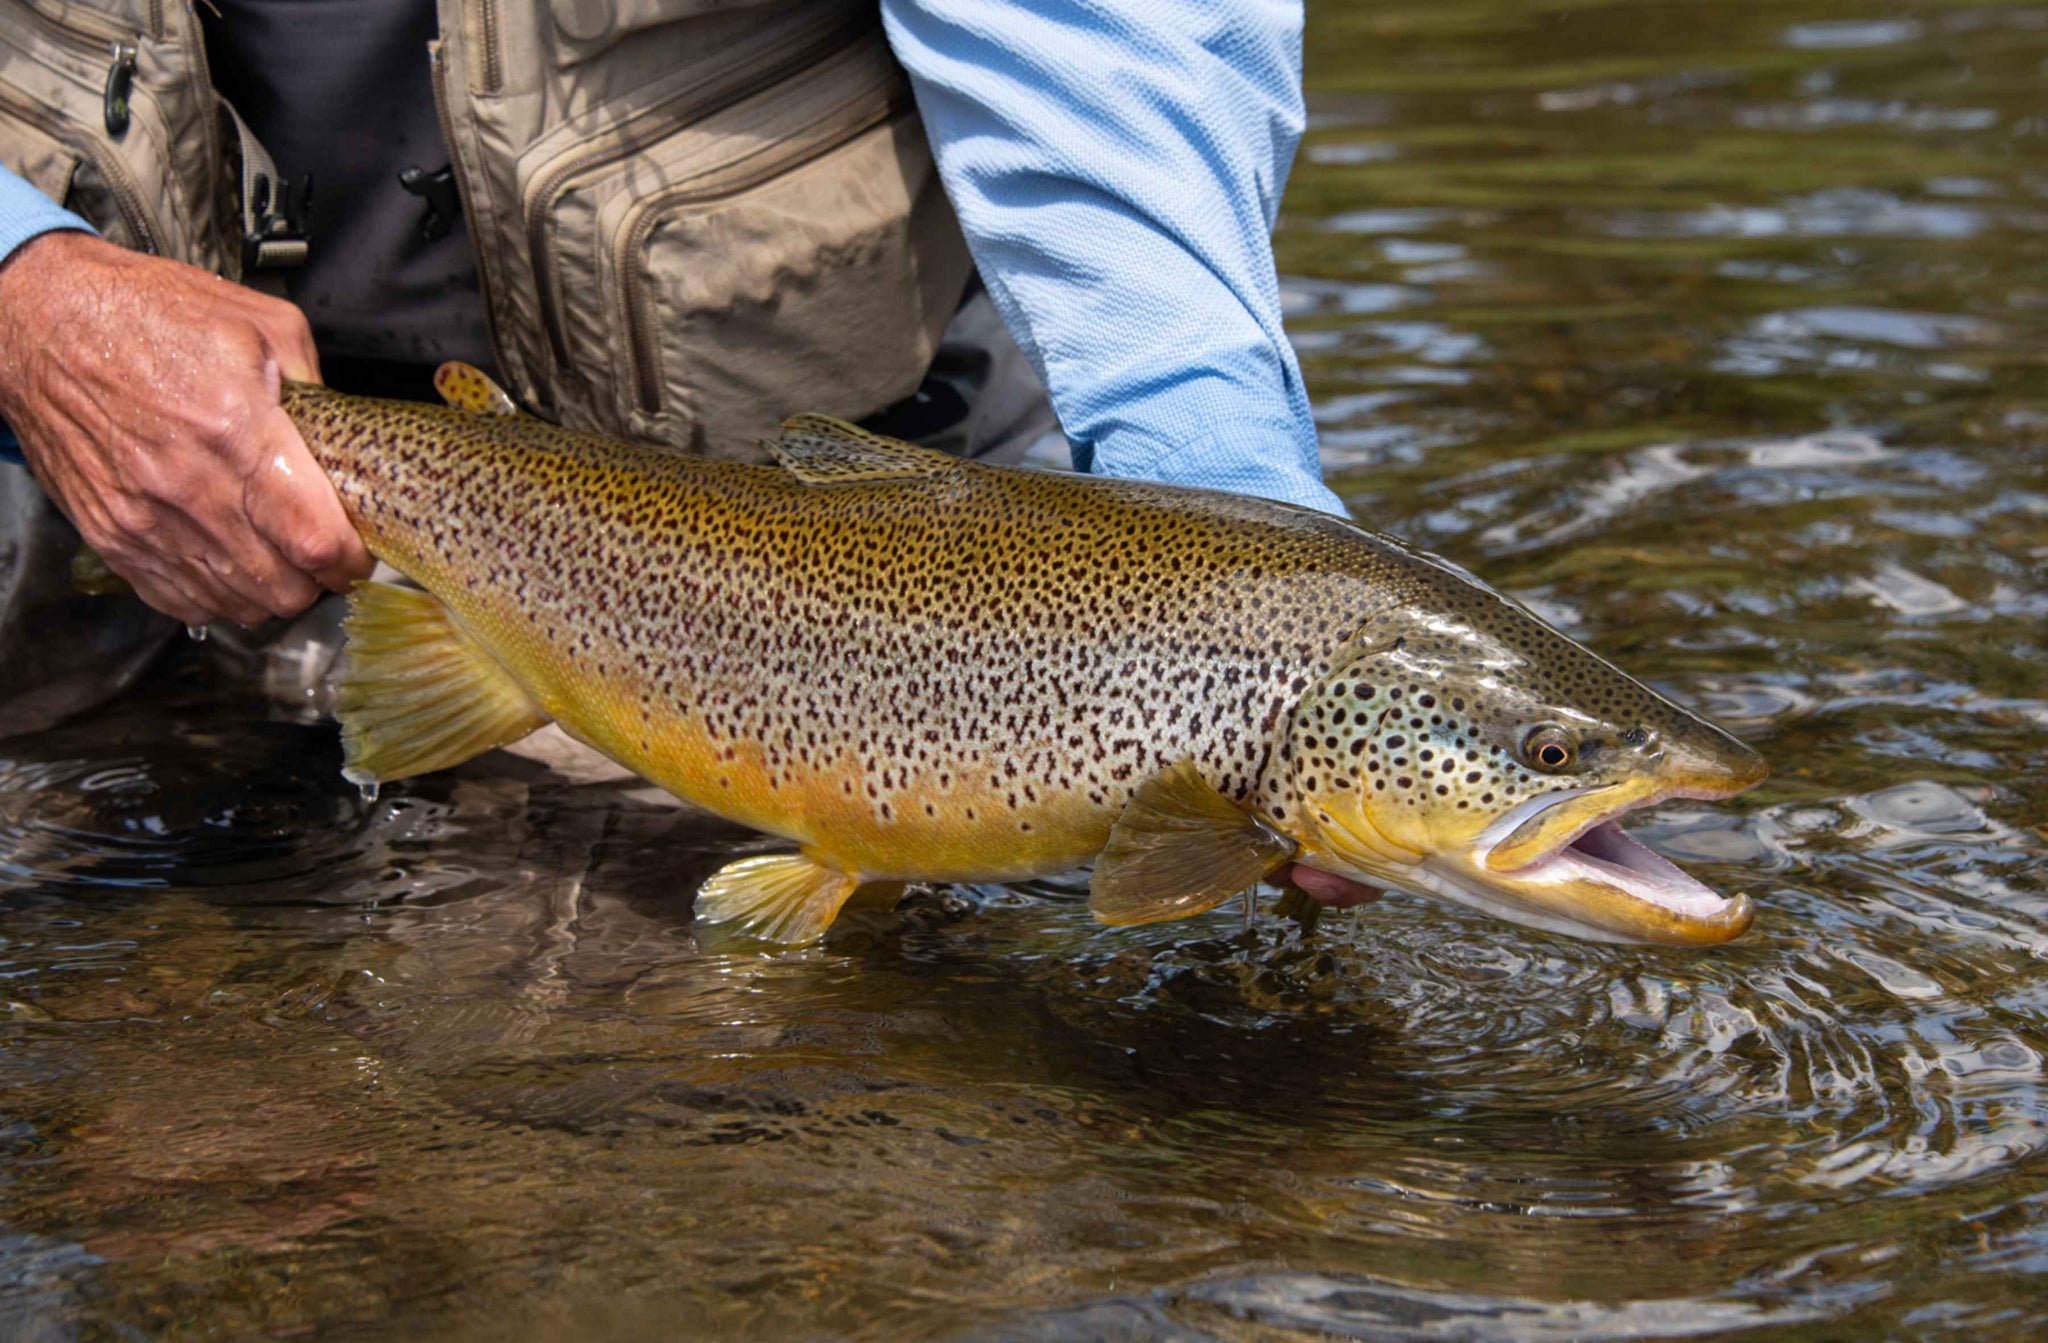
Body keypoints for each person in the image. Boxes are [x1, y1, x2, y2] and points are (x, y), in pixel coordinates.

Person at [0, 0, 1375, 909]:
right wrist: (27, 290)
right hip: (43, 462)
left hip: (784, 575)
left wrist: (1219, 482)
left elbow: (1097, 40)